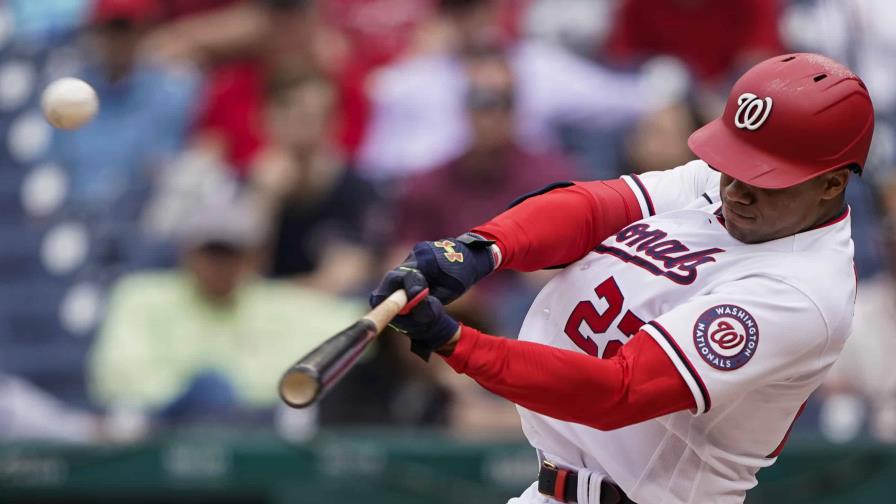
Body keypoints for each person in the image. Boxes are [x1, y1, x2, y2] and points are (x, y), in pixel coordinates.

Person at [370, 53, 874, 503]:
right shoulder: (727, 189)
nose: (736, 190)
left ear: (832, 182)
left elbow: (618, 392)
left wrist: (456, 343)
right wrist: (481, 248)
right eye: (732, 166)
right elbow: (595, 207)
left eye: (762, 177)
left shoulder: (805, 291)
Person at [88, 196, 364, 422]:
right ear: (188, 252)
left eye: (232, 252)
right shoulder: (141, 295)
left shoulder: (279, 301)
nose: (221, 263)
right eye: (213, 251)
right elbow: (115, 378)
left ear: (252, 257)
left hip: (249, 432)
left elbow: (363, 326)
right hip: (159, 430)